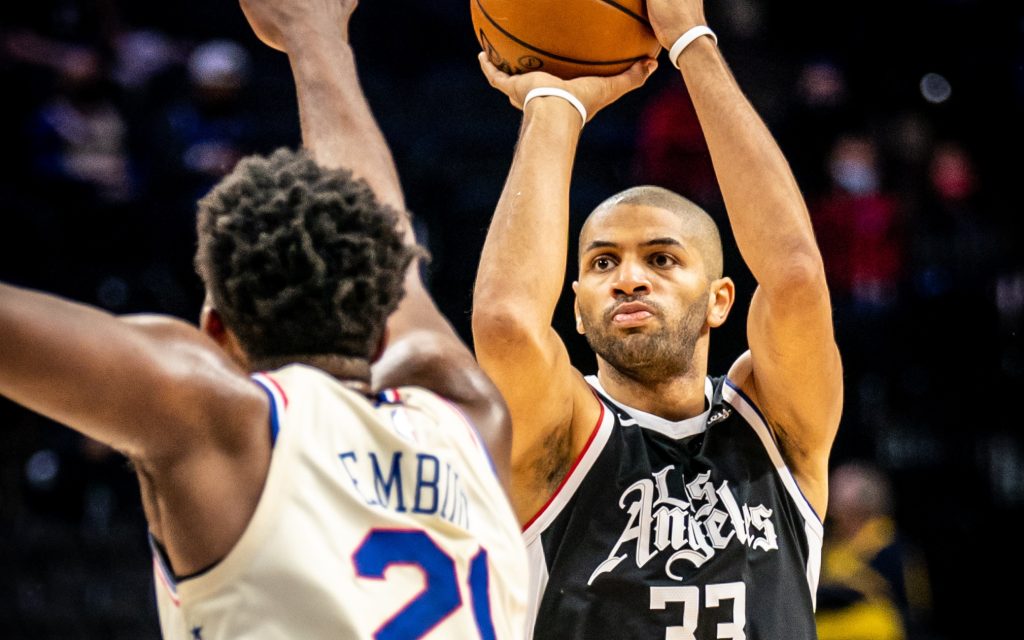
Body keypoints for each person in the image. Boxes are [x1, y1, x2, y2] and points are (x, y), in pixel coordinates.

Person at [0, 0, 528, 638]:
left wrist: (312, 36)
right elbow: (390, 241)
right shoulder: (468, 415)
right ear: (382, 324)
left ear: (216, 334)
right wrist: (317, 35)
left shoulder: (219, 420)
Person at [471, 0, 843, 638]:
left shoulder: (775, 422)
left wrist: (691, 40)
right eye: (603, 262)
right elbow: (506, 322)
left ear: (721, 300)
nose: (629, 277)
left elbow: (797, 276)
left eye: (662, 258)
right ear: (579, 313)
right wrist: (554, 105)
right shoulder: (560, 433)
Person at [816, 463, 932, 640]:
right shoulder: (828, 544)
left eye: (838, 489)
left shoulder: (890, 546)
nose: (831, 496)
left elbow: (914, 606)